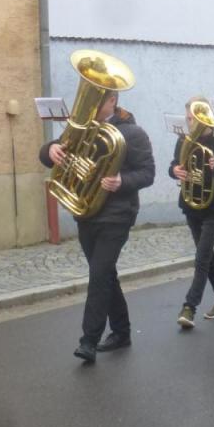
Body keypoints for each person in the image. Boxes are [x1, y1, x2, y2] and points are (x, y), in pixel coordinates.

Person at [40, 88, 155, 364]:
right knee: (104, 273)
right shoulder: (81, 128)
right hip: (86, 211)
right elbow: (50, 153)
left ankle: (88, 340)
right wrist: (50, 149)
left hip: (117, 215)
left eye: (97, 99)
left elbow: (148, 172)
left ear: (112, 101)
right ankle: (122, 331)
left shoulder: (133, 133)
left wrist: (121, 182)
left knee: (99, 273)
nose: (89, 104)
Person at [170, 97, 214, 328]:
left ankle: (189, 307)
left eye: (195, 117)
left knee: (201, 258)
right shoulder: (184, 139)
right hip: (191, 203)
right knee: (205, 256)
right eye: (188, 118)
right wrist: (175, 170)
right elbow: (174, 165)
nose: (191, 122)